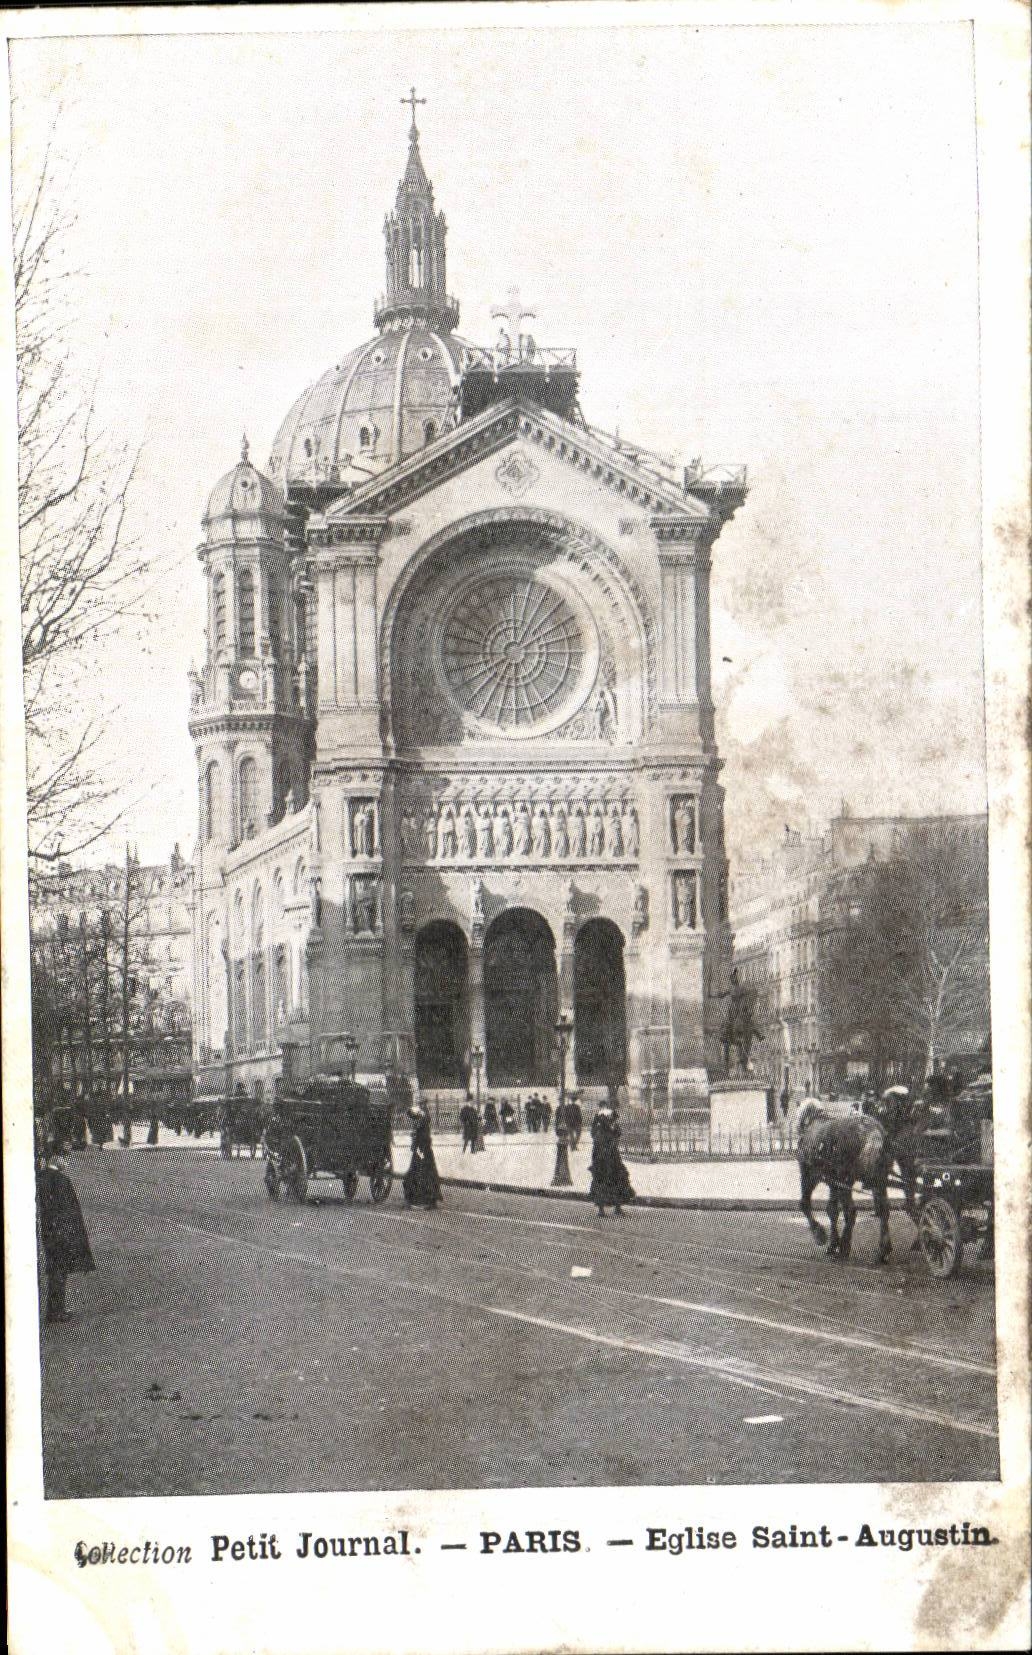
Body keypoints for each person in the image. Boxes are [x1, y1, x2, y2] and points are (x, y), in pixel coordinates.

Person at [37, 1136, 95, 1323]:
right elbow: (66, 1210)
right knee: (59, 1273)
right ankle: (56, 1311)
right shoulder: (60, 1180)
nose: (67, 1161)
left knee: (56, 1271)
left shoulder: (42, 1177)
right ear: (56, 1158)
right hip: (61, 1233)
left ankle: (56, 1309)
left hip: (50, 1232)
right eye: (64, 1157)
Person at [589, 1106, 635, 1217]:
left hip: (610, 1160)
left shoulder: (605, 1129)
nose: (614, 1122)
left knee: (615, 1181)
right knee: (607, 1182)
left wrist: (615, 1130)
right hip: (605, 1161)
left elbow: (616, 1136)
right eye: (612, 1119)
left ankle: (615, 1208)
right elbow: (605, 1142)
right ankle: (604, 1209)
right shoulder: (602, 1131)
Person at [402, 1104, 442, 1209]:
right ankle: (428, 1200)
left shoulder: (421, 1124)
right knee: (425, 1174)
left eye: (413, 1119)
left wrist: (419, 1149)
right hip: (423, 1151)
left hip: (422, 1152)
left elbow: (424, 1138)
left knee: (420, 1175)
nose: (412, 1122)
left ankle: (422, 1201)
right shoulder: (422, 1122)